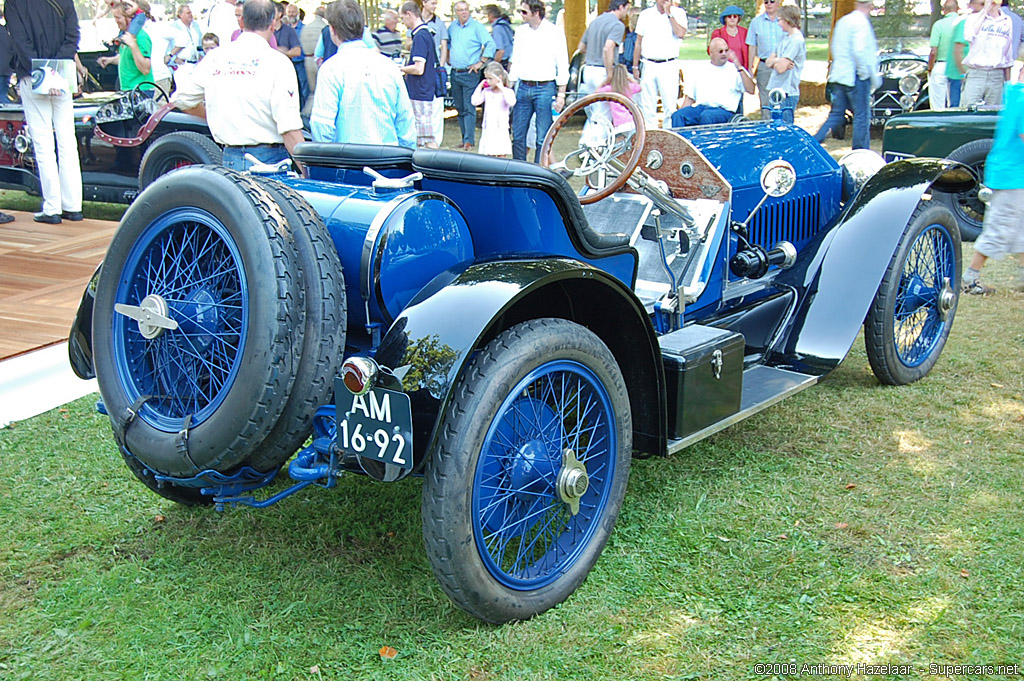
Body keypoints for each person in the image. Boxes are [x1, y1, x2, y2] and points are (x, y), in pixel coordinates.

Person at [173, 0, 304, 171]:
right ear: (273, 24)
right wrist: (307, 172)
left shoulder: (215, 57)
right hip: (269, 162)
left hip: (230, 158)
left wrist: (211, 115)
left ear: (242, 21)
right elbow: (288, 127)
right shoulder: (278, 63)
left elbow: (182, 99)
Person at [6, 0, 83, 224]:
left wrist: (41, 68)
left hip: (33, 75)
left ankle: (52, 207)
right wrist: (57, 64)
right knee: (68, 141)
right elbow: (73, 36)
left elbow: (20, 42)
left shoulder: (14, 4)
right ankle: (73, 205)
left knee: (43, 143)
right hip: (62, 73)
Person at [310, 0, 415, 148]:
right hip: (388, 161)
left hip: (346, 163)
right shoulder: (389, 67)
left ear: (332, 30)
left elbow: (322, 126)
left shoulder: (330, 70)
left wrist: (327, 162)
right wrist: (405, 159)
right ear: (363, 29)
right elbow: (405, 121)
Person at [961, 78, 1024, 294]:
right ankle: (970, 278)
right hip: (1011, 177)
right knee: (999, 229)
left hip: (1012, 174)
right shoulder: (1023, 100)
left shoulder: (1016, 95)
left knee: (1020, 229)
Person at [812, 0, 878, 150]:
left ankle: (814, 142)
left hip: (839, 74)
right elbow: (860, 51)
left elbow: (835, 47)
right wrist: (864, 73)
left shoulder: (843, 22)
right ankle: (861, 150)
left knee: (836, 115)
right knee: (862, 116)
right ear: (868, 6)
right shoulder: (861, 23)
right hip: (855, 76)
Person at [509, 0, 569, 162]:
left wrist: (561, 94)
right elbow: (516, 60)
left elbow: (562, 63)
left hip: (545, 87)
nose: (521, 15)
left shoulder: (554, 32)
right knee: (518, 135)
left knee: (543, 137)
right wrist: (510, 85)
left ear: (536, 12)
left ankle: (538, 173)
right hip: (523, 86)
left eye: (524, 12)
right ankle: (518, 170)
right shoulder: (521, 32)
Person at [577, 0, 630, 143]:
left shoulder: (595, 22)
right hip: (602, 71)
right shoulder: (617, 25)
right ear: (621, 7)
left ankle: (587, 143)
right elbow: (608, 48)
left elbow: (581, 47)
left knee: (594, 112)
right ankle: (594, 148)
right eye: (627, 9)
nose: (627, 13)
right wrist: (610, 72)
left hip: (588, 69)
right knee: (604, 115)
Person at [670, 36, 753, 127]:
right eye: (720, 51)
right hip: (702, 108)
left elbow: (751, 90)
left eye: (726, 50)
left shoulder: (735, 69)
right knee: (678, 115)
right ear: (711, 52)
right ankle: (681, 140)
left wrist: (739, 67)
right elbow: (689, 98)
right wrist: (682, 111)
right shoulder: (700, 69)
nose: (724, 54)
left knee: (707, 116)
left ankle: (703, 141)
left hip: (724, 111)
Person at [448, 0, 496, 150]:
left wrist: (480, 62)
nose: (463, 12)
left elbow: (491, 44)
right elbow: (448, 44)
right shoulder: (452, 27)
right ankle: (464, 138)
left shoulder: (477, 27)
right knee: (459, 106)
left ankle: (469, 140)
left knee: (469, 106)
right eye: (460, 10)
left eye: (466, 9)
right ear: (456, 12)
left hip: (470, 72)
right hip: (455, 72)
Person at [632, 0, 687, 129]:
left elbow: (680, 33)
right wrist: (635, 66)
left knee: (670, 106)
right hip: (648, 63)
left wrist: (669, 14)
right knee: (647, 107)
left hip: (669, 64)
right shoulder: (646, 14)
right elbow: (638, 42)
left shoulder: (679, 13)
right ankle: (651, 137)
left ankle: (669, 138)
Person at [399, 1, 438, 148]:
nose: (403, 23)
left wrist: (401, 69)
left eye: (403, 18)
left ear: (409, 14)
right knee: (421, 137)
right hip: (422, 90)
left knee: (427, 137)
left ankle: (436, 166)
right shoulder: (425, 33)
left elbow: (419, 68)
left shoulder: (420, 36)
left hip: (420, 92)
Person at [961, 0, 1014, 106]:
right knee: (968, 109)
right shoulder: (973, 18)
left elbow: (1008, 54)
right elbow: (969, 36)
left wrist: (1008, 82)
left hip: (997, 74)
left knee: (993, 112)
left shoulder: (1007, 20)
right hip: (976, 73)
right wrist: (986, 10)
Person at [98, 3, 155, 93]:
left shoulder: (141, 37)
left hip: (141, 90)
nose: (116, 21)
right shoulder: (126, 36)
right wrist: (110, 60)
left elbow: (145, 69)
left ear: (129, 17)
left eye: (118, 17)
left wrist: (133, 45)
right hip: (127, 89)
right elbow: (128, 58)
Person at [764, 4, 804, 123]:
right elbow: (768, 62)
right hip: (776, 89)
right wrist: (778, 60)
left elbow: (780, 68)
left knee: (784, 128)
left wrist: (777, 62)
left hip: (787, 92)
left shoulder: (796, 40)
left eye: (779, 20)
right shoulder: (784, 38)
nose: (778, 23)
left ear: (788, 20)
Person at [746, 0, 784, 119]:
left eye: (772, 1)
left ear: (778, 2)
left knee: (783, 99)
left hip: (783, 65)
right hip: (764, 65)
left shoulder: (785, 21)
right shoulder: (756, 22)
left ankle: (784, 129)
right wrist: (751, 67)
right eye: (766, 1)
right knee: (765, 101)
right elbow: (752, 45)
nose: (768, 4)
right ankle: (767, 127)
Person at [471, 61, 515, 156]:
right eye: (486, 79)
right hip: (489, 128)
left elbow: (511, 101)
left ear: (499, 78)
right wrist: (480, 87)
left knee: (501, 154)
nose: (488, 81)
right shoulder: (486, 92)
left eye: (490, 79)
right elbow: (474, 101)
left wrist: (502, 88)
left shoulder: (507, 92)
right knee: (488, 155)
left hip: (500, 128)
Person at [422, 0, 448, 145]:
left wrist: (441, 66)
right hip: (421, 69)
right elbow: (407, 42)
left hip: (435, 68)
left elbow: (444, 46)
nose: (435, 6)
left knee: (437, 105)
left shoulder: (439, 23)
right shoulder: (416, 20)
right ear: (424, 3)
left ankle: (436, 141)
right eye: (432, 3)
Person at [951, 0, 986, 106]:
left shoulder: (989, 23)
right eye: (982, 4)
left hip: (980, 75)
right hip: (963, 75)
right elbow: (957, 50)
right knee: (959, 110)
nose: (984, 7)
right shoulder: (966, 22)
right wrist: (963, 74)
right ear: (971, 5)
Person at [928, 0, 960, 111]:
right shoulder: (964, 24)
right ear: (957, 9)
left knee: (938, 103)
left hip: (941, 65)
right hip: (958, 66)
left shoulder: (938, 25)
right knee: (957, 102)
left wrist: (930, 68)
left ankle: (938, 123)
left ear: (943, 10)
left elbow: (933, 51)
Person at [596, 63, 642, 132]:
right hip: (630, 119)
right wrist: (630, 78)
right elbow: (639, 87)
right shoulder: (629, 87)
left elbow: (596, 93)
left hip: (618, 121)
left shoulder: (610, 89)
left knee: (620, 141)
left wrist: (605, 81)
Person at [710, 5, 748, 71]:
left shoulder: (745, 32)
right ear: (725, 19)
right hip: (723, 69)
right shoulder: (718, 33)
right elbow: (711, 51)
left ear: (738, 18)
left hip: (742, 69)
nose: (732, 18)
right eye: (729, 16)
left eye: (735, 16)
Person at [168, 4, 203, 70]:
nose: (190, 14)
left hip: (196, 63)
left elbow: (200, 42)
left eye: (191, 12)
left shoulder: (195, 25)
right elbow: (168, 46)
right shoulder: (173, 27)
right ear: (180, 15)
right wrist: (174, 58)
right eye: (188, 13)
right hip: (182, 65)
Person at [302, 5, 327, 94]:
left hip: (307, 59)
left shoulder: (306, 28)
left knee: (313, 91)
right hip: (320, 60)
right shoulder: (325, 28)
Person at [483, 5, 513, 71]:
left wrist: (493, 66)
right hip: (509, 59)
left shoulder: (497, 28)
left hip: (503, 61)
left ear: (490, 15)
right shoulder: (505, 25)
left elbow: (500, 51)